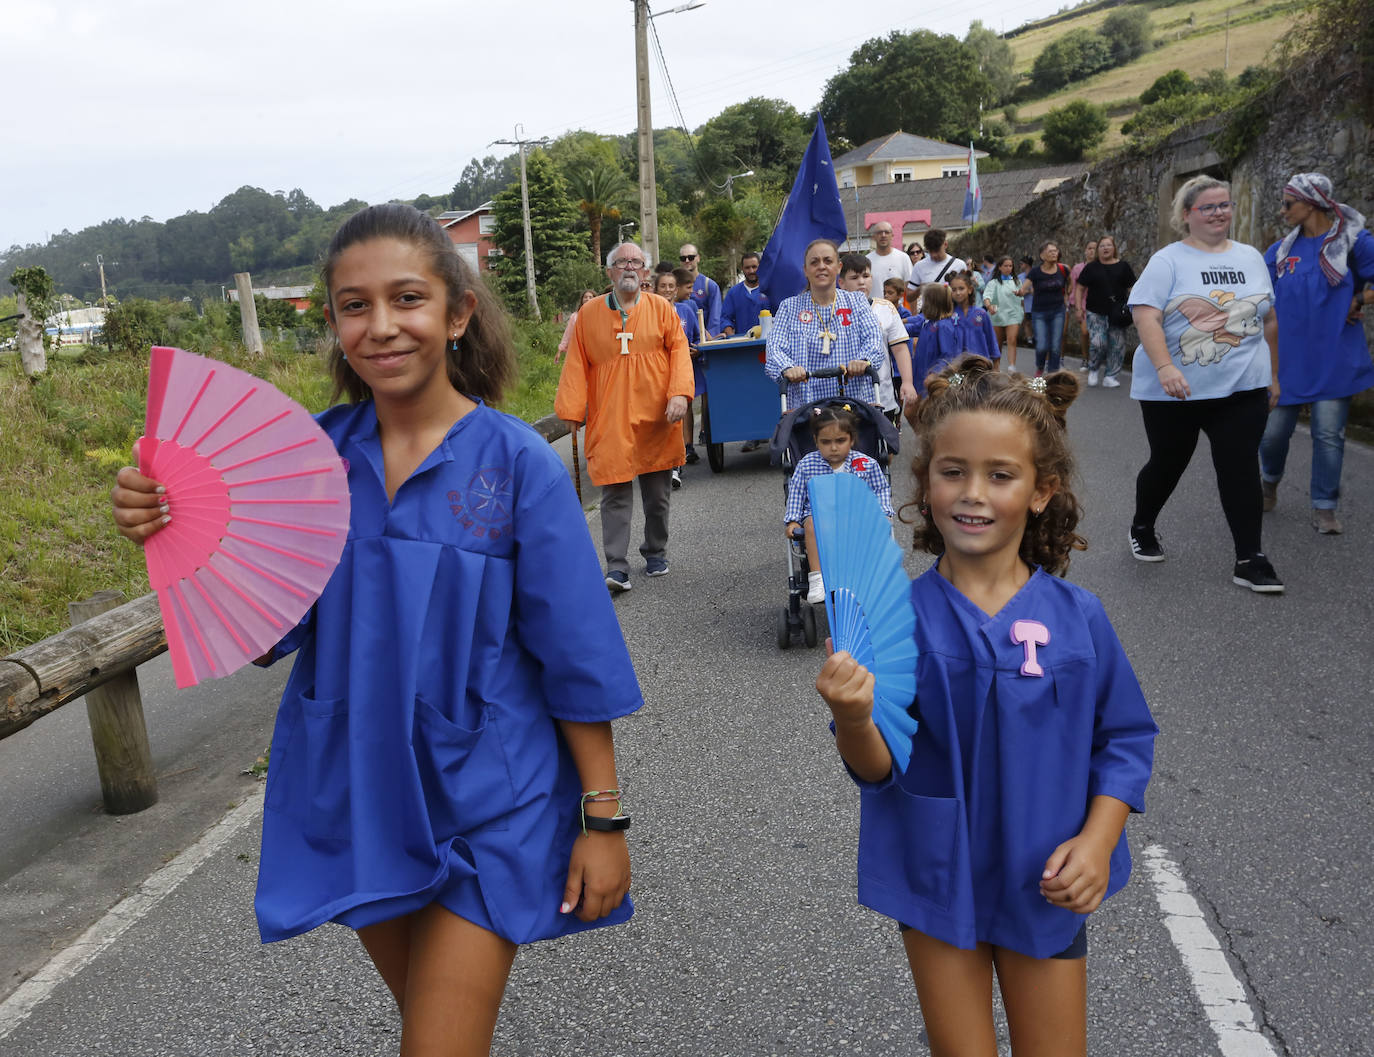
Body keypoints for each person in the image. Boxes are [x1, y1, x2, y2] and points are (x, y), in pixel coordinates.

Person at [110, 203, 640, 1057]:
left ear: (458, 312)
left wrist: (603, 819)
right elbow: (261, 631)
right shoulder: (303, 461)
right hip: (360, 793)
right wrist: (170, 530)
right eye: (354, 305)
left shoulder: (518, 468)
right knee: (433, 1031)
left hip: (490, 799)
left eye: (407, 299)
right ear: (333, 320)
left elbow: (577, 657)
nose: (382, 326)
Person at [816, 355, 1157, 1057]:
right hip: (939, 874)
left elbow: (1124, 738)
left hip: (1046, 876)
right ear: (926, 481)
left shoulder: (1079, 617)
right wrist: (855, 716)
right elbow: (878, 769)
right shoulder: (897, 621)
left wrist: (1097, 838)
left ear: (1041, 490)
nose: (973, 493)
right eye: (952, 471)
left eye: (1000, 475)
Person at [1126, 175, 1284, 592]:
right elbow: (1146, 315)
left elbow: (1267, 319)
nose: (1219, 213)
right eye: (1208, 207)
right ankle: (1142, 525)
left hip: (1241, 387)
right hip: (1177, 389)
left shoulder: (1251, 258)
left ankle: (1250, 558)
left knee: (1239, 467)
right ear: (1186, 215)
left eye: (1225, 205)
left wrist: (1272, 376)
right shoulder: (1169, 260)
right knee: (1168, 462)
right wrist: (1164, 368)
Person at [557, 241, 693, 591]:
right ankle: (616, 566)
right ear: (609, 272)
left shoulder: (663, 309)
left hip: (656, 414)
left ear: (645, 272)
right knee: (614, 493)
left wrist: (679, 392)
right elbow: (576, 364)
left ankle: (655, 551)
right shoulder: (588, 316)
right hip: (611, 414)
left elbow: (679, 350)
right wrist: (572, 410)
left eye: (635, 262)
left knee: (658, 494)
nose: (629, 268)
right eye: (621, 263)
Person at [1260, 172, 1374, 536]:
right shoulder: (1280, 251)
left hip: (1335, 356)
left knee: (1328, 434)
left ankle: (1324, 506)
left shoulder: (1356, 243)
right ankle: (1268, 482)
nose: (1282, 211)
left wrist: (1359, 298)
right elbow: (1260, 298)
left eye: (1288, 203)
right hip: (1288, 361)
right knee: (1273, 433)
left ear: (1311, 203)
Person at [784, 404, 893, 603]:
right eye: (826, 442)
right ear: (816, 441)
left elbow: (880, 490)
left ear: (851, 440)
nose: (833, 448)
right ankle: (817, 578)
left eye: (840, 441)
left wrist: (883, 512)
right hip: (819, 517)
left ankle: (867, 578)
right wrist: (792, 520)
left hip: (854, 516)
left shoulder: (865, 464)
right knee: (810, 523)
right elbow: (796, 493)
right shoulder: (807, 465)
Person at [765, 238, 883, 409]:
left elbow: (873, 338)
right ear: (805, 270)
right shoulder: (789, 307)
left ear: (838, 267)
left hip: (853, 402)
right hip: (806, 406)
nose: (821, 266)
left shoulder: (856, 301)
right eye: (814, 262)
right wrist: (787, 368)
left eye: (828, 261)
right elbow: (775, 348)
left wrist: (864, 360)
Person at [838, 252, 918, 424]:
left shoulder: (885, 308)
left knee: (885, 446)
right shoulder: (831, 311)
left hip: (881, 394)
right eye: (854, 277)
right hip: (844, 398)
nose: (861, 281)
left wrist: (907, 382)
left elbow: (900, 348)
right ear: (841, 283)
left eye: (866, 276)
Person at [655, 270, 699, 490]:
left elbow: (698, 338)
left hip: (681, 371)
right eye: (663, 286)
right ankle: (664, 463)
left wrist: (695, 350)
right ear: (656, 289)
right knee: (662, 419)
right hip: (657, 375)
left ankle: (676, 464)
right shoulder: (648, 311)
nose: (668, 290)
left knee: (679, 415)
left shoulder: (686, 310)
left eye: (671, 286)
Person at [1075, 235, 1137, 389]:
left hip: (1118, 312)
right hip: (1095, 311)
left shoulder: (1123, 266)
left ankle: (1111, 376)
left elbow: (1132, 288)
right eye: (1102, 246)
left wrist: (1136, 306)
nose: (1106, 248)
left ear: (1114, 248)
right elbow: (1080, 287)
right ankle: (1094, 368)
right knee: (1098, 342)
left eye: (1109, 245)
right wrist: (1078, 308)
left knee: (1117, 345)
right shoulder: (1091, 267)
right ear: (1098, 250)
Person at [1018, 241, 1073, 375]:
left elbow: (1069, 282)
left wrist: (1066, 295)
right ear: (1042, 256)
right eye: (1050, 251)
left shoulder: (1063, 269)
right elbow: (1024, 287)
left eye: (1056, 251)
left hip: (1058, 311)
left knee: (1055, 345)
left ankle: (1052, 373)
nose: (1054, 253)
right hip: (1040, 312)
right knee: (1042, 345)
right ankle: (1040, 366)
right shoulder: (1036, 272)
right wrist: (1020, 292)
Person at [910, 284, 961, 396]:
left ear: (931, 303)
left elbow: (948, 356)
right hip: (920, 379)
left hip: (933, 382)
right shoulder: (928, 323)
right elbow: (909, 329)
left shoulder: (943, 326)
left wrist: (935, 373)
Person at [984, 256, 1026, 373]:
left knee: (1012, 339)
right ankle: (996, 367)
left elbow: (1021, 298)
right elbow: (987, 296)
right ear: (1000, 267)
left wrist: (1020, 295)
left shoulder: (1017, 281)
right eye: (1006, 266)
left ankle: (1012, 366)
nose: (1008, 268)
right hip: (997, 315)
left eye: (1010, 266)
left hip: (1013, 314)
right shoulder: (993, 283)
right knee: (997, 343)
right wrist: (989, 306)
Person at [905, 228, 968, 306]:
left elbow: (967, 294)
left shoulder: (959, 265)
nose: (934, 255)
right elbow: (909, 297)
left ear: (945, 244)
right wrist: (920, 289)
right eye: (930, 251)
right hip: (930, 315)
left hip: (954, 314)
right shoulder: (919, 266)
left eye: (937, 250)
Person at [949, 270, 1000, 367]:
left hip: (980, 365)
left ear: (970, 290)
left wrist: (996, 366)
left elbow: (991, 340)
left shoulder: (981, 314)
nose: (958, 293)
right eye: (954, 290)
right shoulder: (949, 315)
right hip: (957, 366)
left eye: (961, 288)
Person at [719, 251, 771, 337]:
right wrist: (732, 337)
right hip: (742, 344)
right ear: (742, 269)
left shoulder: (770, 291)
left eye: (754, 267)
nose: (751, 271)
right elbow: (725, 319)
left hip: (768, 343)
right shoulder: (733, 293)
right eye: (747, 268)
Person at [678, 242, 721, 337]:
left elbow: (715, 318)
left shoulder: (709, 285)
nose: (687, 260)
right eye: (683, 258)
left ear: (698, 258)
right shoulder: (673, 285)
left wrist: (708, 341)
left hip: (703, 339)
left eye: (691, 257)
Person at [1069, 241, 1097, 371]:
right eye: (1089, 248)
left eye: (1094, 248)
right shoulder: (1077, 268)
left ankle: (1096, 358)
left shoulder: (1101, 266)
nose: (1092, 251)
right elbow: (1074, 288)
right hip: (1083, 303)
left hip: (1099, 304)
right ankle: (1085, 359)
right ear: (1085, 251)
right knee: (1085, 332)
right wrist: (1076, 306)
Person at [866, 221, 912, 296]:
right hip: (873, 306)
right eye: (879, 232)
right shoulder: (867, 260)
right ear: (874, 237)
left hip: (896, 307)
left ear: (892, 236)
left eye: (887, 232)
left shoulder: (903, 258)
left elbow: (909, 287)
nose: (883, 235)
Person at [555, 289, 598, 364]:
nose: (588, 299)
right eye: (585, 297)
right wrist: (560, 350)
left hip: (594, 352)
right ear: (582, 300)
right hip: (578, 351)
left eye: (590, 297)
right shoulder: (575, 317)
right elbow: (567, 334)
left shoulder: (599, 316)